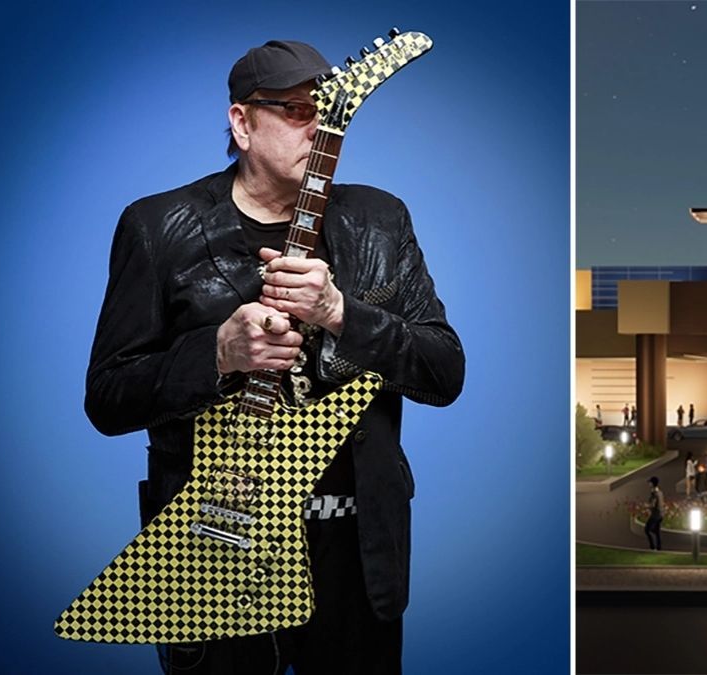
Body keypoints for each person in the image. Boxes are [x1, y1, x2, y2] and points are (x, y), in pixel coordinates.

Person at [83, 40, 465, 674]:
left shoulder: (380, 220)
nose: (317, 126)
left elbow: (444, 371)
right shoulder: (157, 227)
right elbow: (107, 398)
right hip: (216, 545)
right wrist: (217, 353)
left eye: (329, 109)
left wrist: (343, 314)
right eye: (293, 109)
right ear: (242, 122)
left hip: (355, 551)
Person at [644, 476, 665, 550]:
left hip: (655, 515)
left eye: (650, 482)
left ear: (652, 483)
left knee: (647, 530)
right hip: (661, 514)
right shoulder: (660, 492)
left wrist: (646, 506)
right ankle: (659, 547)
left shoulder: (654, 493)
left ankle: (652, 546)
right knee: (657, 531)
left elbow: (653, 504)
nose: (649, 484)